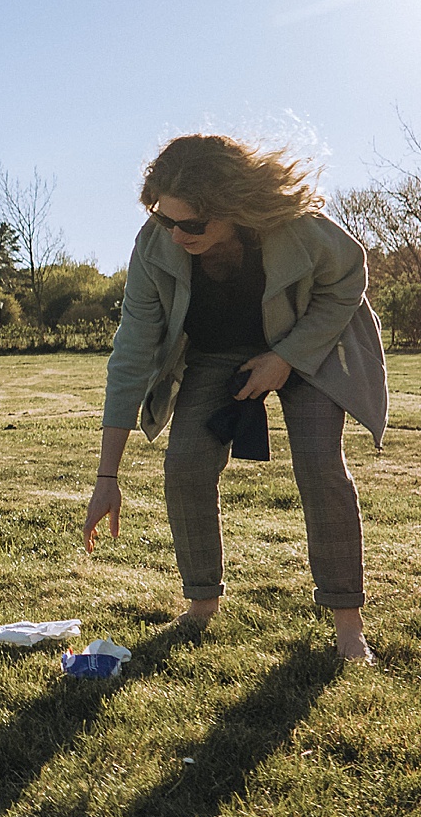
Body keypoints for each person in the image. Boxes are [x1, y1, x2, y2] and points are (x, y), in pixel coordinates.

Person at [83, 134, 387, 661]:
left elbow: (348, 276)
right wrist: (107, 476)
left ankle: (347, 622)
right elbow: (132, 352)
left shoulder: (299, 230)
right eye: (164, 219)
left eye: (193, 225)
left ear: (233, 208)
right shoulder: (156, 246)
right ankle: (201, 603)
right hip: (215, 354)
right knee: (183, 466)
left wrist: (286, 358)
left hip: (305, 343)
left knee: (319, 465)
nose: (177, 236)